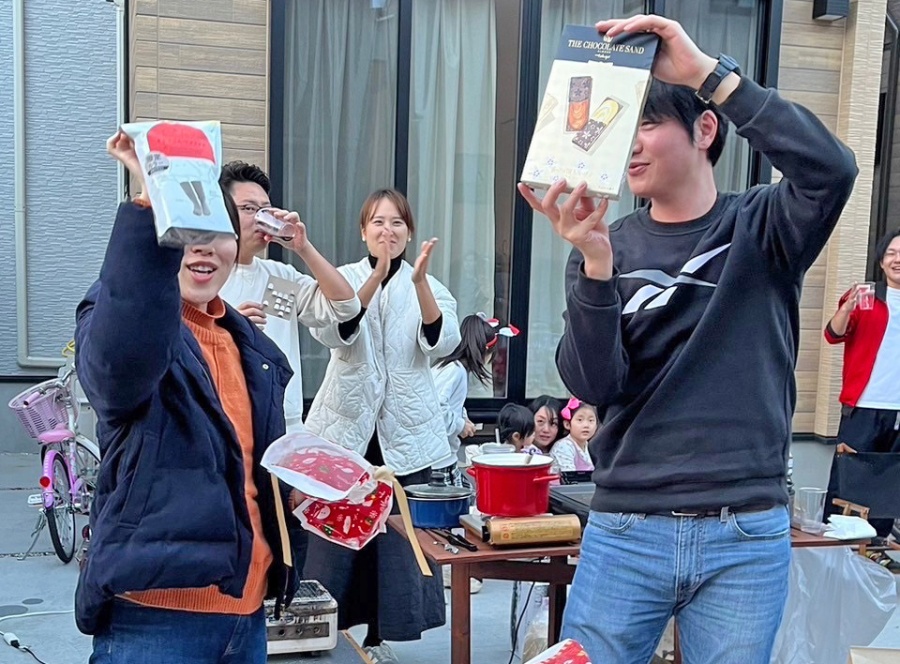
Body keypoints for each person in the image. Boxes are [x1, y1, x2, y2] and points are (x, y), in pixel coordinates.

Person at [519, 14, 857, 663]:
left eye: (647, 123)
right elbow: (593, 384)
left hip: (744, 532)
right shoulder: (605, 246)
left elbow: (831, 170)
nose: (631, 145)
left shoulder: (764, 225)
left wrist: (707, 74)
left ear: (705, 129)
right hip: (625, 528)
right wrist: (595, 266)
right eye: (625, 129)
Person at [74, 131, 299, 663]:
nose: (201, 246)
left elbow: (248, 471)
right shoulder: (127, 323)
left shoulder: (251, 346)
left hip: (247, 613)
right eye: (183, 230)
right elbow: (119, 361)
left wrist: (302, 494)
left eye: (217, 231)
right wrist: (151, 203)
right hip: (154, 617)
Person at [302, 188, 460, 664]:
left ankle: (376, 641)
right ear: (363, 231)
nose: (387, 231)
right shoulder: (344, 277)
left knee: (392, 548)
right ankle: (324, 637)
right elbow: (336, 331)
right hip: (346, 434)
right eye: (377, 222)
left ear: (409, 232)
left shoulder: (428, 284)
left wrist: (420, 283)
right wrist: (375, 276)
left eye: (396, 223)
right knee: (332, 543)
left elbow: (441, 341)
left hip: (405, 438)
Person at [218, 161, 360, 434]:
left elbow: (346, 307)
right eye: (248, 209)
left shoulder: (278, 278)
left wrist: (303, 247)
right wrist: (230, 327)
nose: (260, 218)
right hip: (226, 421)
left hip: (285, 422)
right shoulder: (203, 276)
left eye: (265, 209)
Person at [823, 229, 900, 538]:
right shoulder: (867, 297)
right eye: (892, 253)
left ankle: (876, 548)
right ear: (881, 261)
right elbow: (833, 334)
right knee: (849, 479)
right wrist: (845, 308)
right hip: (864, 407)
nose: (898, 259)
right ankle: (837, 547)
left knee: (888, 485)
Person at [431, 314, 497, 487]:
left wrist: (464, 419)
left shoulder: (450, 367)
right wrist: (460, 425)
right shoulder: (455, 370)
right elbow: (436, 408)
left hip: (441, 456)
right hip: (439, 459)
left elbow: (451, 404)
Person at [550, 398, 597, 472]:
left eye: (591, 420)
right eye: (580, 420)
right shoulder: (563, 446)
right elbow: (569, 475)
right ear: (567, 424)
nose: (586, 425)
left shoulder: (591, 446)